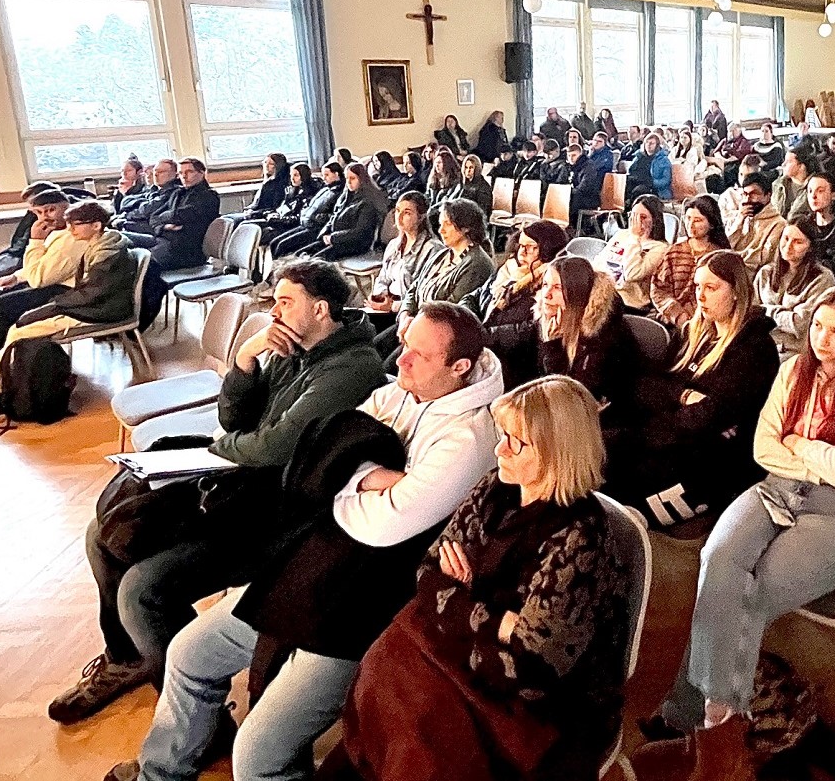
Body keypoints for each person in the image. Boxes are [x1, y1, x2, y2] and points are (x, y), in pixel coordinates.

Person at [103, 302, 503, 781]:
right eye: (404, 344)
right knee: (189, 654)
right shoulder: (406, 389)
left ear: (459, 368)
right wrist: (371, 477)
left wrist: (341, 477)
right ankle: (163, 772)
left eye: (418, 355)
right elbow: (321, 449)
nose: (399, 360)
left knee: (257, 758)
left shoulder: (468, 438)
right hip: (312, 567)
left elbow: (382, 526)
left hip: (364, 607)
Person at [47, 260, 387, 728]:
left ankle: (198, 718)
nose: (274, 311)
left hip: (280, 515)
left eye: (285, 302)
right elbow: (234, 419)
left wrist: (223, 449)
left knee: (141, 590)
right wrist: (246, 360)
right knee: (101, 532)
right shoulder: (294, 347)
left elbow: (273, 446)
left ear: (322, 308)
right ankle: (127, 658)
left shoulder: (350, 367)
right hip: (241, 490)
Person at [320, 375, 627, 781]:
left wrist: (462, 599)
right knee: (390, 672)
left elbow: (534, 664)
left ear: (558, 451)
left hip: (537, 706)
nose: (500, 448)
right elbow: (429, 573)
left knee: (416, 714)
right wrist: (500, 621)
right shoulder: (494, 488)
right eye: (504, 434)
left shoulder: (581, 538)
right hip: (478, 660)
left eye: (517, 442)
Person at [647, 284, 835, 735]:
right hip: (777, 487)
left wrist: (801, 443)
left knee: (751, 590)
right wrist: (831, 457)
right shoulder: (792, 371)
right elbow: (764, 449)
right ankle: (719, 707)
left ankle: (701, 713)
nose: (822, 340)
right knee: (718, 561)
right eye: (818, 327)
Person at [609, 250, 779, 527]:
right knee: (605, 460)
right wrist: (684, 395)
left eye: (711, 288)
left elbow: (708, 417)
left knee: (625, 513)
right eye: (698, 286)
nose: (699, 296)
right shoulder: (692, 332)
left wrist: (669, 405)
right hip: (668, 440)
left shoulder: (755, 348)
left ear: (736, 292)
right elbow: (644, 386)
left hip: (713, 466)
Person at [0, 202, 136, 415]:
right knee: (18, 328)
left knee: (20, 331)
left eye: (76, 225)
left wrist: (53, 306)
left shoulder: (108, 252)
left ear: (96, 226)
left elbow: (93, 294)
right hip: (90, 306)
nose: (70, 230)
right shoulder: (100, 245)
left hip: (99, 311)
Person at [533, 256, 637, 427]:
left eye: (558, 287)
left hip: (608, 424)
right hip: (563, 413)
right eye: (545, 285)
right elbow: (512, 334)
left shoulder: (605, 336)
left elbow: (572, 396)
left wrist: (552, 346)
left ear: (577, 293)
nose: (547, 295)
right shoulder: (550, 318)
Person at [463, 220, 567, 388]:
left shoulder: (549, 284)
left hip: (513, 368)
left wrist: (476, 334)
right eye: (520, 245)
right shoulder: (508, 270)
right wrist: (463, 318)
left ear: (548, 250)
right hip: (484, 350)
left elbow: (527, 331)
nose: (522, 252)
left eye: (531, 247)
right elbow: (474, 297)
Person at [390, 199, 495, 366]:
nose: (441, 230)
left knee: (389, 366)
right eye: (440, 224)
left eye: (447, 224)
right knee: (376, 345)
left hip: (433, 336)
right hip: (413, 322)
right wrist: (405, 315)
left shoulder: (477, 264)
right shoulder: (443, 254)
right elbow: (414, 288)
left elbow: (450, 310)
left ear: (465, 227)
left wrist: (414, 324)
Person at [754, 218, 835, 358]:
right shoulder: (765, 272)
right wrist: (785, 314)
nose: (788, 246)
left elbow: (800, 324)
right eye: (785, 239)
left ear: (810, 247)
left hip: (793, 351)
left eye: (798, 242)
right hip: (759, 344)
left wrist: (765, 310)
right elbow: (750, 313)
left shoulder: (822, 278)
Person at [122, 157, 220, 273]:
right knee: (120, 238)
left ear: (202, 173)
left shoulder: (209, 196)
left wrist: (164, 219)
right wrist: (164, 226)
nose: (184, 176)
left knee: (135, 263)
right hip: (163, 240)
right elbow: (154, 218)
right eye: (181, 173)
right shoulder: (178, 193)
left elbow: (178, 215)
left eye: (189, 172)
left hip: (184, 251)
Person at [651, 195, 730, 328]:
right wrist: (677, 314)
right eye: (688, 218)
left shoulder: (720, 257)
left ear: (711, 224)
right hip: (671, 320)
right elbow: (658, 288)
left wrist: (693, 317)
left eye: (698, 220)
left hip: (707, 322)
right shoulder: (674, 251)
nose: (691, 225)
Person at [366, 191, 444, 324]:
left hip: (409, 314)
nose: (399, 217)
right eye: (397, 211)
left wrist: (393, 305)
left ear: (421, 217)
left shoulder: (432, 248)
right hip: (386, 306)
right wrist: (381, 295)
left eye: (407, 213)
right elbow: (383, 277)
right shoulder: (393, 245)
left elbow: (423, 294)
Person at [592, 194, 669, 312]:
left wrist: (634, 238)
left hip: (629, 303)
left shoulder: (660, 248)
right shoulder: (621, 235)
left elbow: (632, 274)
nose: (636, 222)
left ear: (654, 220)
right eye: (633, 216)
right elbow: (599, 262)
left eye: (643, 217)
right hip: (605, 294)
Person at [299, 162, 384, 261]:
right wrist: (325, 233)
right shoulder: (345, 196)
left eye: (352, 178)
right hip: (336, 238)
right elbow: (333, 217)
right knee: (301, 254)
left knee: (316, 261)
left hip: (355, 244)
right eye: (347, 178)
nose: (348, 182)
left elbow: (360, 232)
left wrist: (333, 238)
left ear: (361, 180)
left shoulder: (368, 202)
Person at [269, 162, 345, 258]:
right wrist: (304, 211)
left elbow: (336, 214)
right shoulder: (325, 189)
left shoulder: (340, 192)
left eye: (327, 175)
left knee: (282, 246)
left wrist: (317, 217)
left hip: (316, 228)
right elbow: (310, 205)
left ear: (336, 174)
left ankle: (282, 271)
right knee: (274, 243)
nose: (324, 178)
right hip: (305, 223)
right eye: (323, 175)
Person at [725, 171, 785, 273]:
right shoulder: (739, 216)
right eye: (745, 194)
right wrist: (739, 221)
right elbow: (726, 246)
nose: (748, 199)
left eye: (753, 194)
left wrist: (733, 259)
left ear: (768, 195)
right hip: (732, 268)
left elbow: (763, 258)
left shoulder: (779, 223)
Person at [260, 163, 322, 245]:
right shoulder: (292, 190)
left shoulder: (310, 193)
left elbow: (298, 218)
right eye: (291, 175)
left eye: (296, 175)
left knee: (264, 235)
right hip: (281, 219)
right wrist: (273, 214)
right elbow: (282, 207)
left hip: (291, 225)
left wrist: (278, 220)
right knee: (255, 227)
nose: (292, 179)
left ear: (304, 176)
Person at [225, 153, 290, 224]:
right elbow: (255, 203)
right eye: (265, 162)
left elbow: (273, 208)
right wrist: (249, 209)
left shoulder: (280, 186)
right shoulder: (266, 182)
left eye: (271, 164)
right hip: (253, 212)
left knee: (230, 221)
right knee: (225, 219)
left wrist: (253, 213)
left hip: (261, 215)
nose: (266, 166)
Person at [772, 145, 819, 221]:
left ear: (801, 167)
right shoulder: (778, 185)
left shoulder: (816, 187)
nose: (783, 164)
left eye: (788, 162)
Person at [625, 132, 672, 205]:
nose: (648, 145)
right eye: (647, 142)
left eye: (652, 143)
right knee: (625, 185)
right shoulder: (639, 157)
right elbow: (631, 171)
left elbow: (666, 180)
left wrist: (651, 182)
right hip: (638, 182)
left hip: (656, 189)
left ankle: (633, 209)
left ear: (657, 145)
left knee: (639, 191)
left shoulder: (663, 160)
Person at [705, 122, 753, 193]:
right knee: (710, 176)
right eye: (729, 131)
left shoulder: (744, 142)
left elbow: (737, 156)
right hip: (719, 161)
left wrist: (723, 161)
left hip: (734, 164)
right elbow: (716, 151)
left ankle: (725, 192)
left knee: (728, 172)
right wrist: (719, 159)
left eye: (733, 131)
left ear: (739, 131)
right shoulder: (725, 140)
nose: (730, 133)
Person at [112, 156, 151, 222]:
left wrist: (127, 193)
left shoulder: (145, 187)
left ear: (139, 172)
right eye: (122, 171)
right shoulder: (121, 186)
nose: (124, 174)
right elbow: (117, 211)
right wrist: (119, 194)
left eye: (129, 170)